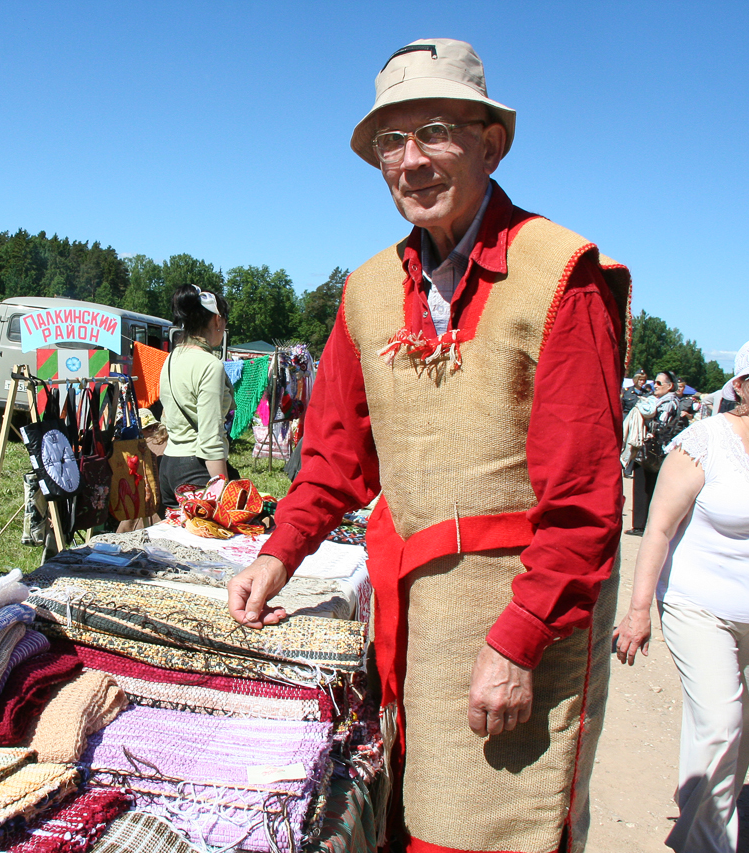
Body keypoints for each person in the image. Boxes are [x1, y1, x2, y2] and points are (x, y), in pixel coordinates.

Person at [227, 38, 630, 853]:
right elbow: (334, 457)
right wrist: (279, 552)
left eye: (436, 132)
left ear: (492, 144)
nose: (411, 161)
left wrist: (519, 639)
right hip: (411, 617)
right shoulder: (368, 289)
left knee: (495, 833)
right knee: (403, 822)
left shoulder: (560, 274)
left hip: (518, 624)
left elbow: (585, 499)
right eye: (391, 141)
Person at [614, 333, 749, 853]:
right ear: (741, 386)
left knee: (740, 738)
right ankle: (709, 845)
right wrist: (638, 611)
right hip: (699, 606)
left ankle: (699, 816)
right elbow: (659, 530)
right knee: (719, 725)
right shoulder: (705, 441)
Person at [157, 284, 235, 507]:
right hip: (197, 468)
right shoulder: (210, 365)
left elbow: (167, 417)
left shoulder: (171, 358)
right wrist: (223, 491)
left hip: (168, 466)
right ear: (217, 320)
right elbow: (211, 438)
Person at [627, 371, 682, 535]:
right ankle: (641, 524)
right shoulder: (660, 400)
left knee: (646, 487)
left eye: (659, 383)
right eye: (654, 383)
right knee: (645, 487)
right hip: (653, 449)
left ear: (669, 386)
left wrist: (646, 421)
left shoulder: (669, 402)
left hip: (654, 450)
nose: (654, 386)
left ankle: (642, 525)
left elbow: (661, 425)